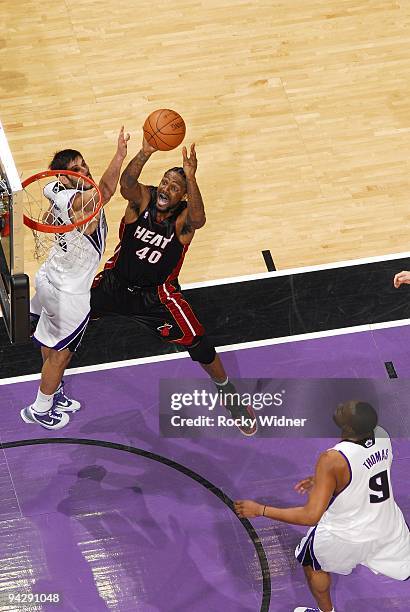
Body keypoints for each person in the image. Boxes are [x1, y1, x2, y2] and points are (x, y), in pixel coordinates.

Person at [90, 134, 257, 436]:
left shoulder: (183, 220)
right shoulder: (143, 198)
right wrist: (145, 151)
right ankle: (51, 388)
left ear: (182, 196)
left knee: (200, 344)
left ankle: (229, 395)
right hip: (114, 283)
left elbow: (200, 218)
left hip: (156, 297)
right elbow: (127, 184)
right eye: (166, 182)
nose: (167, 189)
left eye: (175, 187)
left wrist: (191, 178)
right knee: (65, 317)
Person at [234, 400, 410, 612]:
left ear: (349, 428)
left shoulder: (332, 459)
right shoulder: (381, 436)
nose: (342, 405)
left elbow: (310, 516)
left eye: (346, 409)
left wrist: (260, 510)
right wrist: (323, 481)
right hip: (387, 525)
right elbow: (366, 470)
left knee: (311, 561)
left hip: (346, 534)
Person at [22, 128, 130, 430]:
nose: (84, 171)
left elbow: (49, 214)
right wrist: (120, 155)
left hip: (48, 277)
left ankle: (53, 393)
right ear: (64, 179)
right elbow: (104, 192)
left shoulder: (53, 191)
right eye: (75, 170)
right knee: (61, 355)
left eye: (83, 165)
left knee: (51, 340)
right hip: (69, 293)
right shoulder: (79, 200)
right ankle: (41, 408)